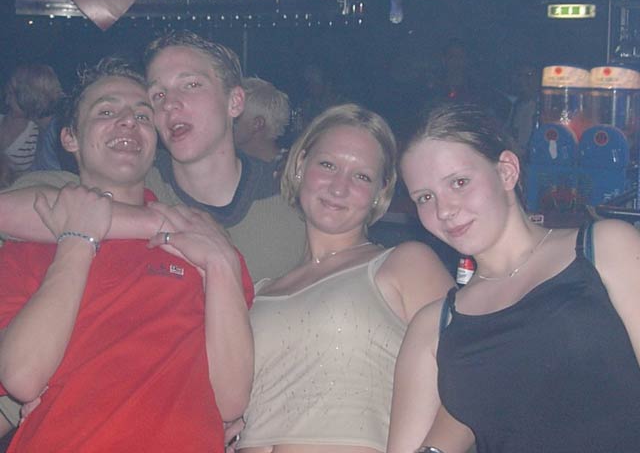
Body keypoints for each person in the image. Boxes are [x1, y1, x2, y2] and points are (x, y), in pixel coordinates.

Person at [0, 58, 254, 452]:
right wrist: (77, 239)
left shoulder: (202, 242)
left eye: (142, 115)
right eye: (106, 111)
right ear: (70, 138)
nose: (127, 122)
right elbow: (22, 376)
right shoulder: (28, 248)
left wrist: (221, 264)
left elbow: (231, 401)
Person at [389, 102, 640, 453]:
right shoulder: (434, 327)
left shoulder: (605, 248)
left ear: (507, 171)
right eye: (425, 197)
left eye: (459, 182)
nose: (444, 210)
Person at [234, 104, 454, 453]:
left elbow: (473, 377)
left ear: (381, 191)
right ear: (300, 165)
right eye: (328, 165)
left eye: (361, 176)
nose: (339, 188)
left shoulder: (404, 263)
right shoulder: (260, 293)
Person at [0, 31, 306, 282]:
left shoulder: (289, 198)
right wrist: (163, 222)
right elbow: (13, 210)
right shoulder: (131, 183)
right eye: (158, 95)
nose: (170, 103)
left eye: (191, 85)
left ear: (235, 101)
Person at [0, 64, 63, 176]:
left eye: (11, 94)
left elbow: (55, 177)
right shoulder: (45, 129)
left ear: (27, 96)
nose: (7, 100)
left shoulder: (56, 133)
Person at [234, 77, 290, 163]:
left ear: (257, 124)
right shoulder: (230, 162)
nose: (228, 122)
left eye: (236, 119)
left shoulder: (290, 167)